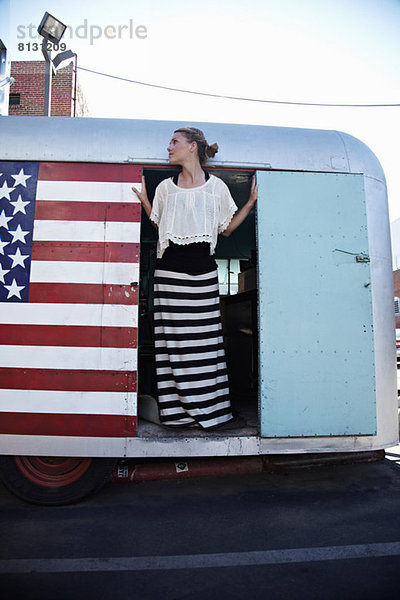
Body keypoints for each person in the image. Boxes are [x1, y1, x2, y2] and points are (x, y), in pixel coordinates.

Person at [132, 126, 257, 430]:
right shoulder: (164, 187)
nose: (169, 147)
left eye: (174, 142)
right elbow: (159, 224)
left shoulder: (216, 188)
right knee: (172, 345)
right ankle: (177, 415)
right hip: (169, 276)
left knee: (204, 346)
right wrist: (146, 200)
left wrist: (250, 204)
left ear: (192, 147)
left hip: (203, 276)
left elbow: (226, 229)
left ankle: (208, 411)